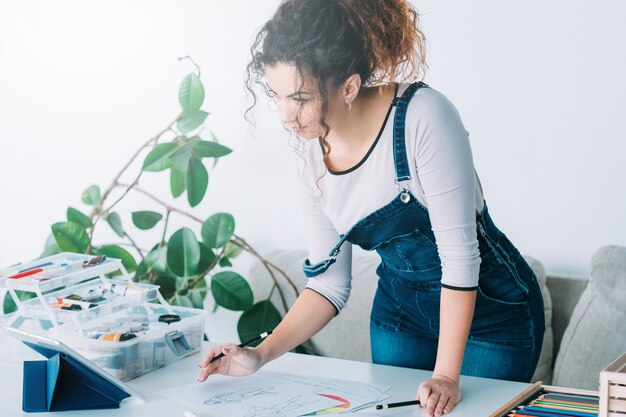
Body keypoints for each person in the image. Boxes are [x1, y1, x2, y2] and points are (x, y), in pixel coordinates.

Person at [198, 1, 545, 416]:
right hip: (400, 314)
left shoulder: (423, 117)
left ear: (348, 86)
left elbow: (460, 258)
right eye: (276, 96)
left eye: (301, 98)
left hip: (491, 317)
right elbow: (328, 284)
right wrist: (259, 354)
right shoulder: (311, 154)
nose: (286, 116)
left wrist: (447, 377)